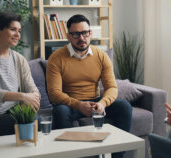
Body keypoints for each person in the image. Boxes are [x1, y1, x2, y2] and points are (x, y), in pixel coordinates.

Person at [46, 14, 132, 158]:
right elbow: (54, 93)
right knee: (59, 112)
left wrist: (103, 104)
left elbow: (112, 87)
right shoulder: (56, 58)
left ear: (90, 33)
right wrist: (79, 105)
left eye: (85, 33)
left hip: (96, 101)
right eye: (76, 34)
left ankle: (118, 156)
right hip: (71, 104)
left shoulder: (101, 56)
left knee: (124, 107)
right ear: (68, 36)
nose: (81, 38)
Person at [0, 12, 40, 137]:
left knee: (38, 120)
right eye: (12, 29)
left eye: (19, 30)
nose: (17, 35)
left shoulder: (20, 59)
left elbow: (31, 86)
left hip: (16, 111)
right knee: (24, 124)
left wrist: (34, 96)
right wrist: (22, 96)